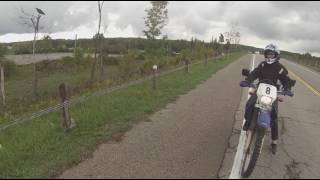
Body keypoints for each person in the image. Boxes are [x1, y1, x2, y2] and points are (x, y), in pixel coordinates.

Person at [241, 43, 294, 155]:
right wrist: (248, 80)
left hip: (272, 94)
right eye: (268, 54)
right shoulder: (262, 65)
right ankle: (248, 122)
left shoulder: (280, 68)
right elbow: (255, 73)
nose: (269, 57)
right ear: (265, 55)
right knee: (250, 104)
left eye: (272, 54)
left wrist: (288, 88)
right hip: (260, 89)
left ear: (276, 55)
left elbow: (285, 79)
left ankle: (274, 142)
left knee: (274, 117)